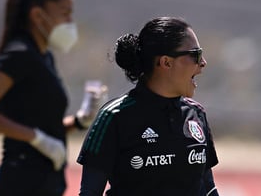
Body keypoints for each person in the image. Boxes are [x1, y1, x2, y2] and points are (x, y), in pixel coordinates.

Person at [0, 0, 105, 196]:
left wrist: (78, 121)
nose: (70, 22)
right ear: (38, 15)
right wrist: (35, 138)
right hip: (20, 181)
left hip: (46, 182)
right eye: (65, 14)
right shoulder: (20, 54)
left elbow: (43, 126)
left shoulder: (44, 56)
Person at [77, 16, 220, 196]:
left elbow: (208, 189)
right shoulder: (114, 116)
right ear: (166, 62)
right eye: (195, 54)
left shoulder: (196, 114)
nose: (203, 63)